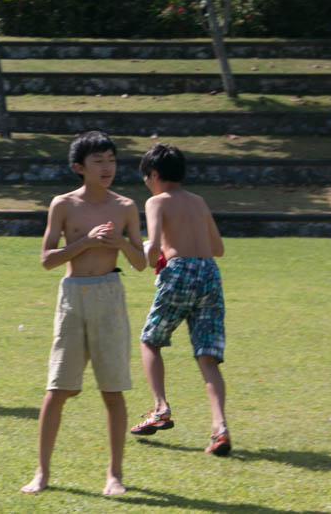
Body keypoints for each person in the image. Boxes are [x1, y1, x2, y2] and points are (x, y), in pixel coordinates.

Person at [21, 130, 146, 497]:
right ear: (79, 167)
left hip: (110, 294)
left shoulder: (124, 207)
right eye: (99, 161)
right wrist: (86, 242)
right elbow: (46, 261)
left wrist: (120, 242)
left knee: (113, 389)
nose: (107, 167)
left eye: (111, 159)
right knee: (58, 388)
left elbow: (140, 263)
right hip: (73, 296)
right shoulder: (62, 205)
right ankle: (42, 473)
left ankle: (115, 476)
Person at [132, 143, 230, 456]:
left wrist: (149, 249)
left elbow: (152, 253)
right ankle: (220, 428)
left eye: (147, 178)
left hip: (178, 273)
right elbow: (217, 248)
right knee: (207, 355)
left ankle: (160, 408)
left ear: (155, 174)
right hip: (209, 274)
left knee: (150, 341)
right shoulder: (199, 202)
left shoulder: (156, 202)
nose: (147, 184)